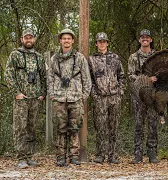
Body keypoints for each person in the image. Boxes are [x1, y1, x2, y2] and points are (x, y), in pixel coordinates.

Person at [47, 29, 91, 166]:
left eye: (69, 38)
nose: (66, 40)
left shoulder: (79, 58)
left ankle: (74, 156)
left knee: (74, 128)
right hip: (59, 99)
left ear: (72, 41)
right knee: (60, 129)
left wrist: (83, 96)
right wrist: (52, 95)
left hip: (75, 99)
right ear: (60, 41)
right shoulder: (54, 59)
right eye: (64, 38)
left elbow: (86, 79)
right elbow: (49, 79)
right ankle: (60, 157)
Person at [4, 28, 46, 168]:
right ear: (22, 39)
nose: (28, 40)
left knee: (31, 128)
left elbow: (44, 76)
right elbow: (8, 75)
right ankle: (21, 158)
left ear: (34, 39)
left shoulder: (39, 57)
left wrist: (43, 93)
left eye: (31, 37)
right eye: (26, 38)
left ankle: (29, 157)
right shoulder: (15, 55)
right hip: (21, 99)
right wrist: (16, 92)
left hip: (35, 99)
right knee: (20, 128)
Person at [88, 32, 125, 164]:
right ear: (96, 43)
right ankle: (100, 155)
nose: (102, 43)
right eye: (100, 41)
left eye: (104, 41)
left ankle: (112, 155)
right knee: (100, 127)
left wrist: (120, 92)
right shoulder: (91, 59)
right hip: (100, 98)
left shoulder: (115, 58)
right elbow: (89, 79)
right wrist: (95, 95)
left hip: (114, 97)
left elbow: (121, 76)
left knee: (113, 127)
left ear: (107, 43)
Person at [127, 29, 160, 164]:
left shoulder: (158, 56)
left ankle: (152, 153)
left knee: (153, 125)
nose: (145, 39)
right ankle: (138, 154)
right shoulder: (134, 57)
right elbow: (130, 76)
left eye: (147, 37)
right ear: (139, 40)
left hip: (154, 96)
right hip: (139, 96)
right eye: (142, 37)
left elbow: (163, 73)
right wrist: (146, 79)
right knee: (138, 125)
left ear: (151, 40)